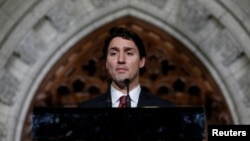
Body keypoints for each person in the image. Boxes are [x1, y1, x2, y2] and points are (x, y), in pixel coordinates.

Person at [78, 26, 175, 108]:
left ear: (141, 61)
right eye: (114, 53)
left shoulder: (165, 108)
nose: (121, 60)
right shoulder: (85, 109)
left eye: (129, 53)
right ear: (106, 62)